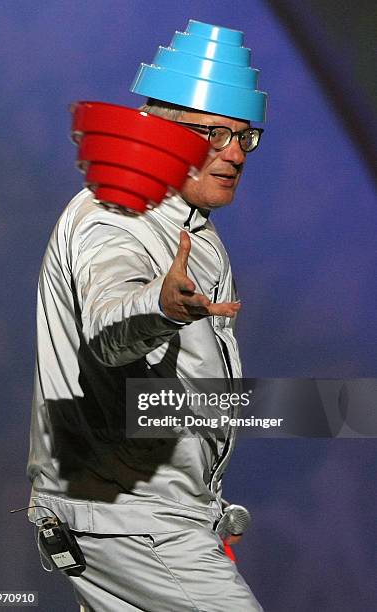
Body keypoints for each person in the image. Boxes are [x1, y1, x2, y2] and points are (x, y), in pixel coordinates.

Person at [27, 19, 267, 611]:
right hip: (127, 518)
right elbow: (111, 327)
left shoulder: (193, 232)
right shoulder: (116, 211)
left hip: (145, 515)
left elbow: (179, 396)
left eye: (246, 136)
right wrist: (157, 306)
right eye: (214, 133)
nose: (234, 153)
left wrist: (204, 506)